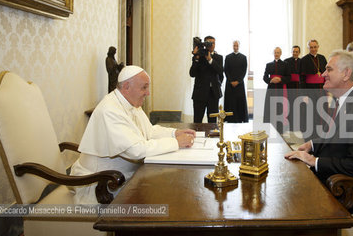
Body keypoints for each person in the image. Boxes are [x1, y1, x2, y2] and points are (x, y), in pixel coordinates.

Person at [285, 50, 353, 214]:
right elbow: (337, 135)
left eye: (329, 69)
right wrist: (312, 144)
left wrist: (314, 161)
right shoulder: (345, 99)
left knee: (289, 201)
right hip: (338, 181)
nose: (322, 74)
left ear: (346, 74)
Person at [71, 66, 196, 204]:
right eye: (144, 87)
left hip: (128, 176)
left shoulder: (131, 103)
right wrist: (177, 142)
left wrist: (174, 133)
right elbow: (136, 150)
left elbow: (149, 131)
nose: (148, 93)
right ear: (126, 87)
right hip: (102, 184)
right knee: (165, 196)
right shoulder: (109, 110)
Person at [190, 36, 224, 123]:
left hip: (213, 94)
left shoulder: (219, 57)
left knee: (212, 121)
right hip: (199, 94)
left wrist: (210, 60)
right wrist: (196, 58)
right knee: (197, 120)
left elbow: (220, 71)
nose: (211, 45)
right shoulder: (199, 57)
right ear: (205, 44)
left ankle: (211, 136)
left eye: (213, 43)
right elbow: (192, 74)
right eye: (209, 43)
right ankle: (196, 136)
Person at [263, 47, 291, 133]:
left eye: (278, 52)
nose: (276, 54)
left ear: (281, 53)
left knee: (280, 109)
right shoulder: (268, 65)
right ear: (273, 53)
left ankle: (280, 130)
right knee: (270, 108)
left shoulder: (285, 64)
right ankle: (270, 129)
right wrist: (270, 80)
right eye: (275, 52)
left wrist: (280, 80)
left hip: (281, 89)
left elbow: (289, 77)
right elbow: (264, 77)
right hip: (271, 88)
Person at [224, 40, 249, 123]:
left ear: (239, 46)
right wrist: (231, 81)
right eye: (234, 45)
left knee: (239, 103)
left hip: (239, 84)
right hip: (230, 84)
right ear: (232, 46)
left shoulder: (243, 57)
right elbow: (226, 70)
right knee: (230, 102)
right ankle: (230, 119)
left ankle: (240, 119)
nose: (235, 47)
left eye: (237, 45)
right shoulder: (228, 57)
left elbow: (244, 71)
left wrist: (238, 81)